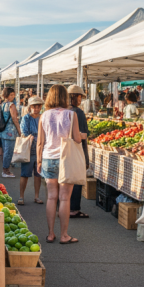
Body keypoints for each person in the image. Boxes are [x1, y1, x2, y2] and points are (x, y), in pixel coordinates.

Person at [36, 85, 83, 244]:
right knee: (64, 198)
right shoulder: (71, 114)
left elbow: (40, 142)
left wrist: (39, 160)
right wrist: (82, 135)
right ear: (65, 97)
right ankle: (64, 235)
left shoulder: (44, 115)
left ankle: (50, 234)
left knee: (51, 197)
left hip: (48, 158)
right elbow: (77, 139)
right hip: (65, 159)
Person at [67, 85, 90, 219]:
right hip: (76, 149)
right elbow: (83, 135)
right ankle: (74, 209)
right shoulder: (78, 113)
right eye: (80, 96)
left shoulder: (63, 110)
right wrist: (86, 158)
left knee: (65, 180)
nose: (80, 99)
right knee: (76, 180)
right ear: (74, 97)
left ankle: (63, 207)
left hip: (64, 150)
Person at [19, 96, 44, 206]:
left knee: (38, 175)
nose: (36, 109)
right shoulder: (26, 118)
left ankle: (36, 196)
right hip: (28, 150)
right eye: (34, 106)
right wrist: (38, 138)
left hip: (40, 150)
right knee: (25, 174)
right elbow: (24, 132)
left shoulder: (42, 118)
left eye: (38, 106)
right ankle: (21, 196)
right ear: (30, 107)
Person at [0, 88, 21, 179]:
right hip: (10, 131)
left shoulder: (2, 104)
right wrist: (20, 131)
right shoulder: (11, 105)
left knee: (5, 151)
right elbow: (15, 119)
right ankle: (5, 170)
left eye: (13, 95)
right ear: (7, 95)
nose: (13, 96)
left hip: (3, 130)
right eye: (11, 95)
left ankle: (5, 168)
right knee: (8, 152)